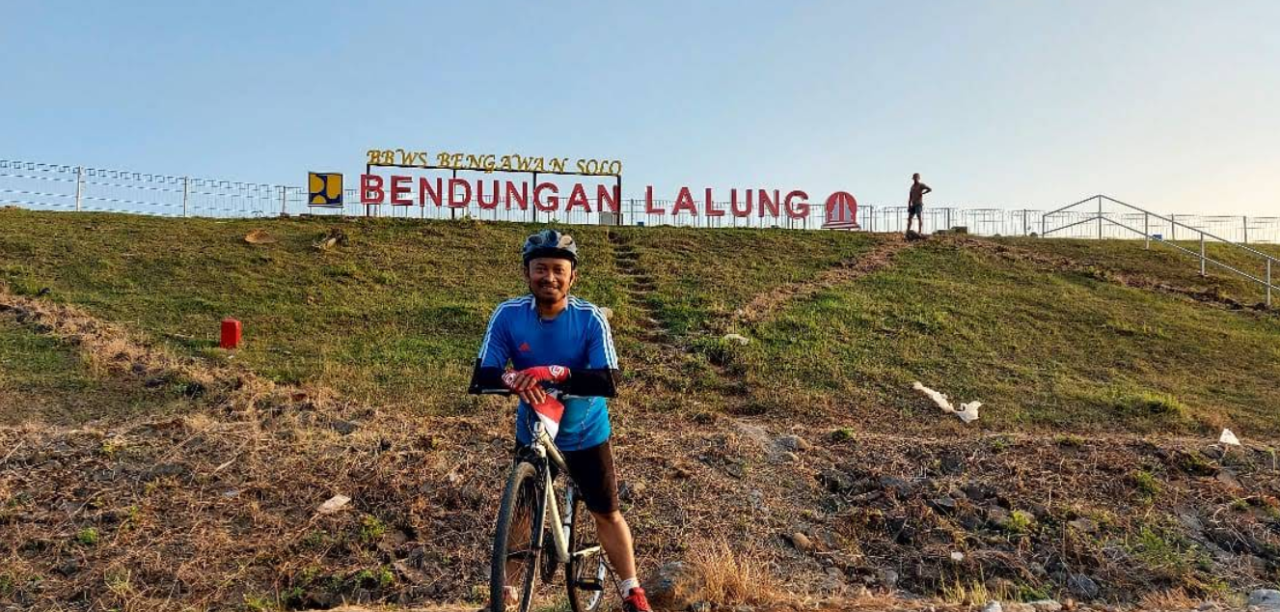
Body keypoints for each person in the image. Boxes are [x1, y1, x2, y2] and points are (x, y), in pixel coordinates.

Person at [468, 229, 650, 612]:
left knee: (606, 511)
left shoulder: (590, 319)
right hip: (535, 428)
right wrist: (509, 378)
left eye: (557, 269)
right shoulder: (508, 316)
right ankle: (509, 594)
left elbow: (609, 379)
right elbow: (481, 375)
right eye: (540, 269)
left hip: (585, 431)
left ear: (572, 277)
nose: (549, 277)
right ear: (526, 273)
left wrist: (556, 372)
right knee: (522, 510)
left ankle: (633, 592)